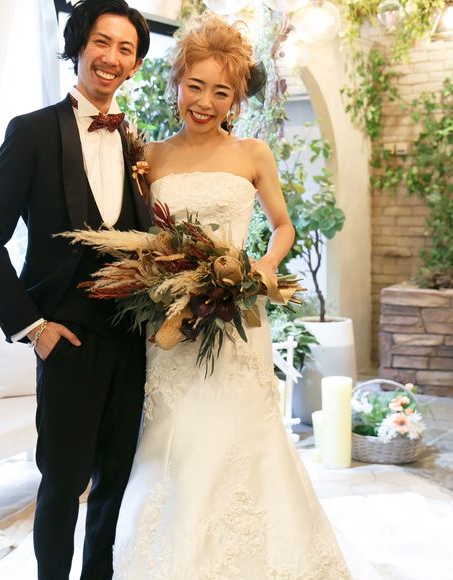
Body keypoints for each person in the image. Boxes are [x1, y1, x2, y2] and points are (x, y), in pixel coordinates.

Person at [112, 17, 359, 579]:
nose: (205, 102)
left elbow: (283, 226)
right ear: (176, 83)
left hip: (238, 316)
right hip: (173, 321)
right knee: (179, 435)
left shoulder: (253, 153)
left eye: (220, 92)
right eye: (195, 86)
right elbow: (145, 236)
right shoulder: (150, 157)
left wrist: (261, 268)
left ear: (236, 99)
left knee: (243, 432)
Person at [0, 1, 151, 578]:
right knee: (62, 483)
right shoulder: (31, 132)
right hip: (67, 339)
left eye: (126, 49)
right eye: (102, 42)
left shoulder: (135, 142)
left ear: (135, 64)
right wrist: (34, 327)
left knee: (116, 479)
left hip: (132, 339)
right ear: (78, 46)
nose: (111, 57)